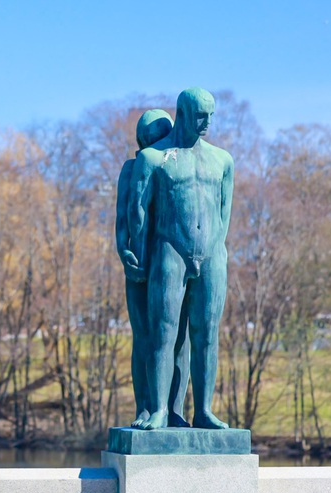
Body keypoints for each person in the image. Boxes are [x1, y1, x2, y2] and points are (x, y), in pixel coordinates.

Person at [130, 88, 235, 430]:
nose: (206, 122)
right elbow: (138, 213)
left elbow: (224, 211)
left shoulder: (222, 160)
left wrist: (216, 250)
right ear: (183, 112)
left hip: (212, 256)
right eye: (200, 115)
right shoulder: (154, 158)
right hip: (169, 249)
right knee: (164, 332)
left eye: (210, 115)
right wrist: (137, 257)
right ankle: (160, 409)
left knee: (206, 334)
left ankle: (203, 410)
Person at [115, 109, 191, 427]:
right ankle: (146, 407)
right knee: (146, 337)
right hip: (139, 263)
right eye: (154, 137)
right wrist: (124, 249)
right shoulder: (133, 168)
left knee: (180, 338)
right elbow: (122, 216)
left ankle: (175, 409)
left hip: (173, 261)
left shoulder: (179, 166)